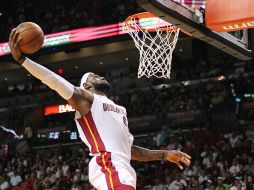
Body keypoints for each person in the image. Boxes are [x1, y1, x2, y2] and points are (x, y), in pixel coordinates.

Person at [9, 28, 191, 190]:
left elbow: (129, 150)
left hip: (123, 168)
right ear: (86, 86)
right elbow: (54, 80)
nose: (99, 76)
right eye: (93, 76)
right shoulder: (86, 99)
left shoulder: (120, 109)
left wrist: (165, 154)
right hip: (108, 165)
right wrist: (23, 60)